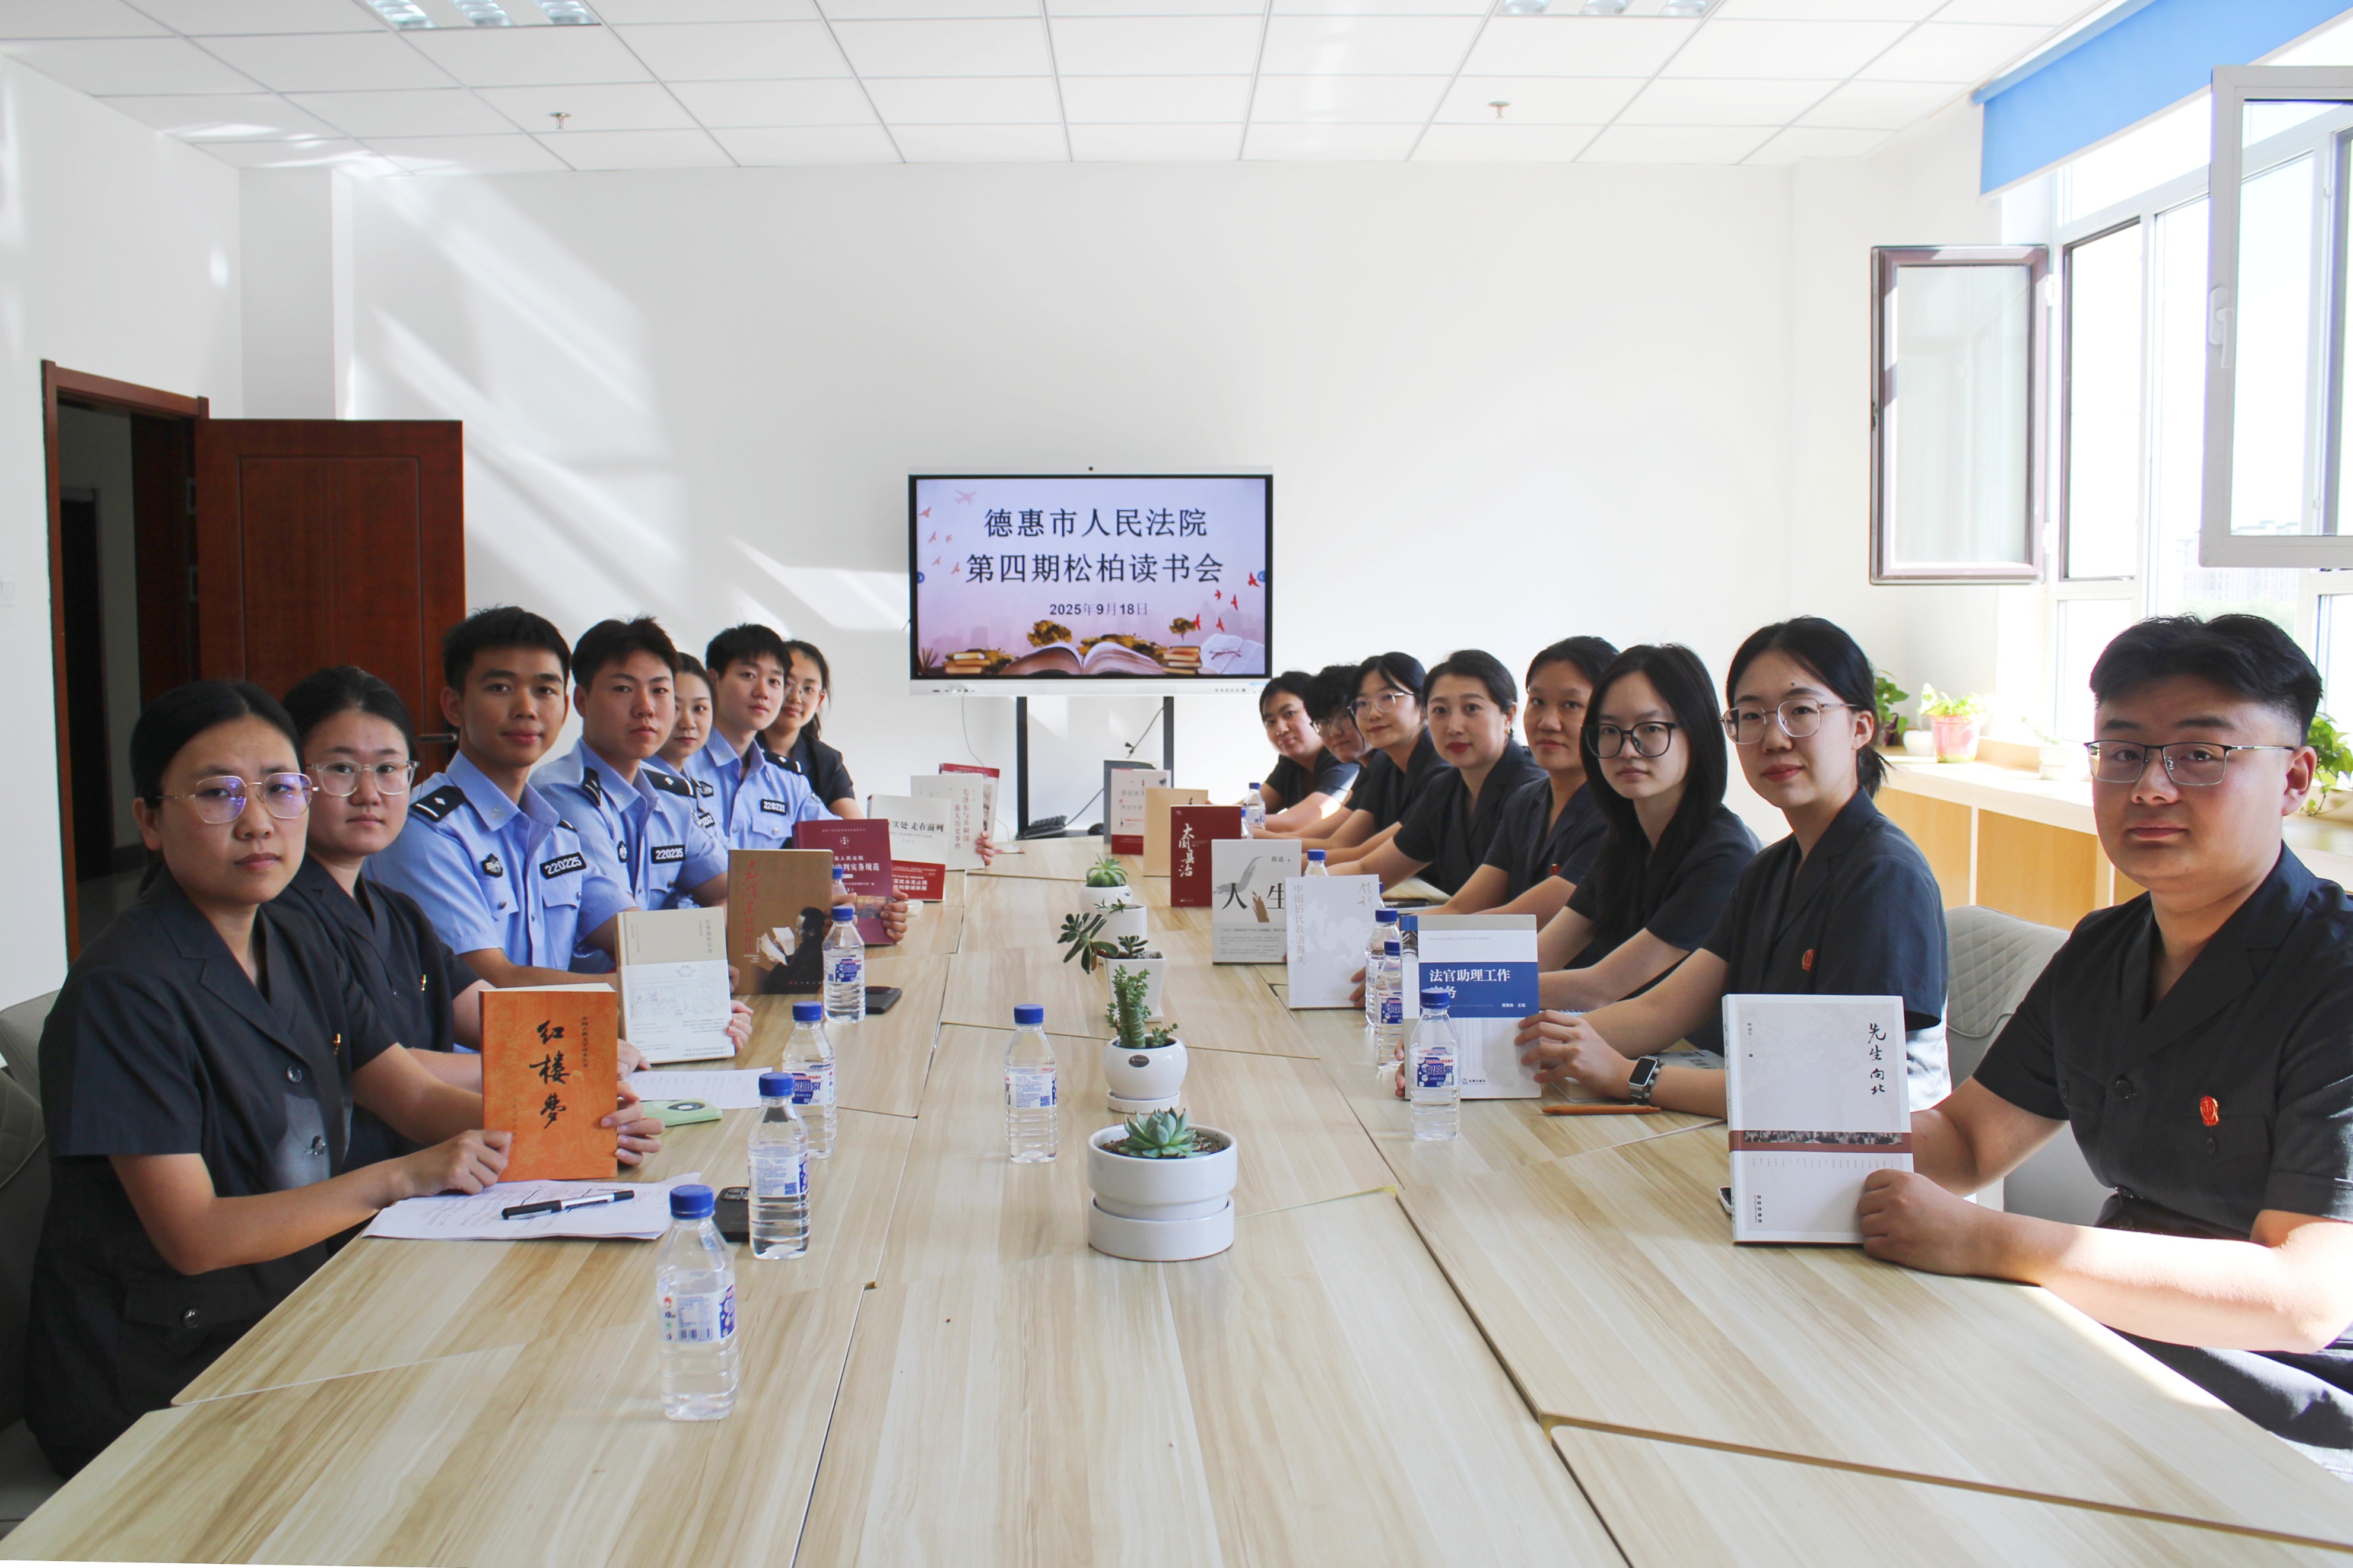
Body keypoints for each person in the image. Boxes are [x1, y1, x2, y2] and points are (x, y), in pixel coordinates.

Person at [1857, 615, 2353, 1473]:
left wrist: (1982, 1240)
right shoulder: (2102, 950)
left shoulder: (2333, 976)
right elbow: (1969, 1139)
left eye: (2200, 755)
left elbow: (2303, 1298)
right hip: (2105, 1343)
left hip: (2284, 1410)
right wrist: (1794, 1141)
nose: (2150, 787)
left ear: (2294, 779)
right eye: (2122, 753)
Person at [24, 683, 526, 1474]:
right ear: (149, 820)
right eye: (218, 793)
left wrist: (572, 1117)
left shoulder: (295, 941)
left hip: (295, 1306)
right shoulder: (124, 990)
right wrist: (400, 1176)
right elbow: (195, 1236)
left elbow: (413, 1095)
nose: (258, 820)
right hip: (167, 1368)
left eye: (281, 787)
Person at [1515, 616, 1947, 1118]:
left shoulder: (1884, 875)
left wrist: (1629, 1076)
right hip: (1770, 1131)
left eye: (1800, 711)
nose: (1773, 738)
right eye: (1751, 716)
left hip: (1879, 1152)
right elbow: (1661, 1010)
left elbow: (1835, 1086)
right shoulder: (1769, 871)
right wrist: (1513, 1038)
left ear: (1860, 727)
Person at [275, 666, 691, 1160]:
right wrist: (566, 1080)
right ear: (291, 780)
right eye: (342, 769)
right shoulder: (283, 920)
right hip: (379, 1172)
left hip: (449, 1160)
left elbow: (488, 1011)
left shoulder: (396, 912)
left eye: (388, 769)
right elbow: (383, 1070)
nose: (369, 793)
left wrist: (596, 1049)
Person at [370, 607, 634, 986]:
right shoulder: (423, 829)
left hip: (562, 1025)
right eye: (500, 688)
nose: (526, 709)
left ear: (565, 710)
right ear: (454, 706)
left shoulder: (555, 831)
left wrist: (700, 966)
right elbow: (493, 985)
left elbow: (629, 932)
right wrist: (641, 988)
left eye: (545, 691)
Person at [1530, 644, 1758, 1012]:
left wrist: (1458, 989)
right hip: (1615, 1035)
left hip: (1684, 1047)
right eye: (1610, 730)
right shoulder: (1625, 841)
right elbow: (1540, 956)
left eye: (1651, 728)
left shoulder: (1724, 856)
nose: (1627, 749)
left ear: (1697, 733)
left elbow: (1599, 989)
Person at [536, 618, 728, 917]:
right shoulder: (560, 793)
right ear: (582, 702)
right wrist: (721, 924)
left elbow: (741, 895)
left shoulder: (669, 795)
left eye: (660, 691)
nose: (646, 707)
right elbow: (624, 931)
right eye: (624, 689)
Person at [1434, 637, 1618, 919]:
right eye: (1538, 702)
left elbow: (1518, 923)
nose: (1548, 722)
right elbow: (1461, 909)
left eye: (1571, 705)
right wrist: (1384, 935)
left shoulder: (1616, 814)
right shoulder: (1525, 802)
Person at [1342, 650, 1543, 896]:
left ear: (1508, 716)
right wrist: (1304, 889)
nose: (1454, 727)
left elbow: (1470, 909)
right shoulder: (1444, 789)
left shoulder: (1532, 790)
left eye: (1471, 708)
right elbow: (1367, 870)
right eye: (1440, 711)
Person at [677, 623, 833, 851]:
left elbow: (841, 839)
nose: (763, 692)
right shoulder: (680, 762)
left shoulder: (787, 781)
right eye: (749, 675)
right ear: (713, 680)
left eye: (774, 681)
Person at [1295, 653, 1447, 863]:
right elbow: (1342, 843)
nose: (1373, 714)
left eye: (1388, 698)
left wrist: (1266, 857)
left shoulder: (1442, 770)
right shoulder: (1383, 763)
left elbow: (1364, 857)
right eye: (1362, 704)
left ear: (1423, 704)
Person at [759, 638, 860, 818]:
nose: (796, 698)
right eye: (787, 684)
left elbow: (857, 830)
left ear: (820, 700)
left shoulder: (827, 762)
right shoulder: (741, 747)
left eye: (808, 689)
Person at [1255, 670, 1359, 834]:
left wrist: (1226, 820)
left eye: (1289, 714)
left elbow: (1294, 824)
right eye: (1270, 722)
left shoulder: (1344, 757)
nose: (1281, 729)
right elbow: (1251, 809)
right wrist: (1216, 814)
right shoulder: (1291, 762)